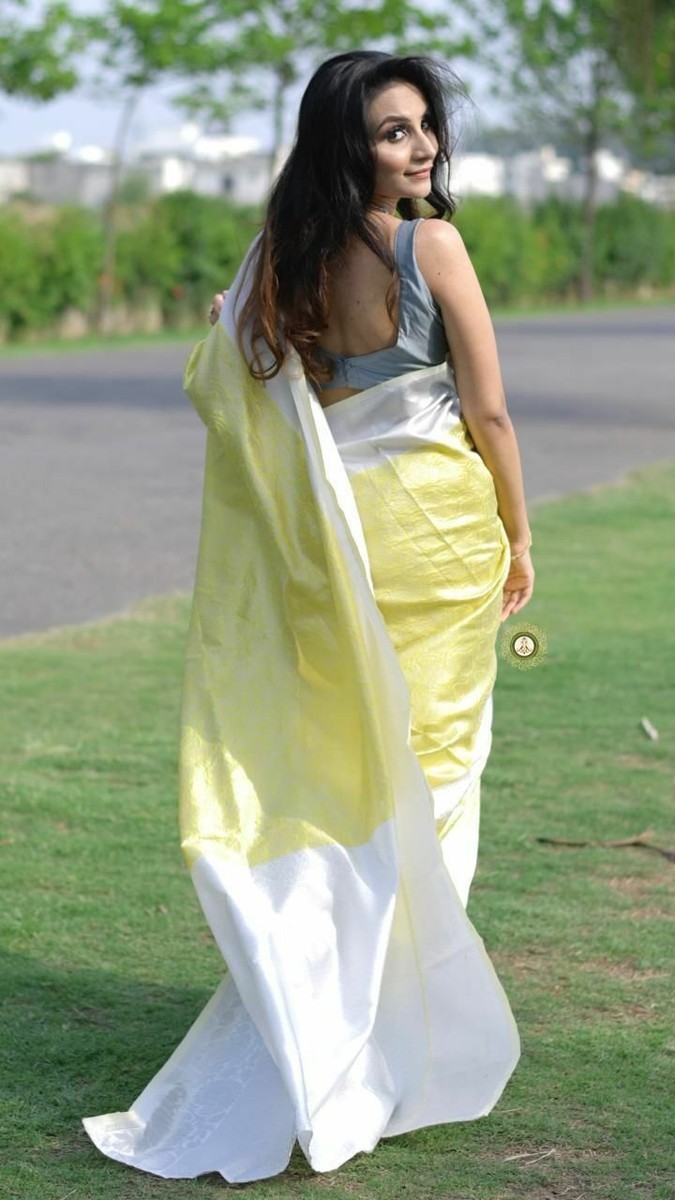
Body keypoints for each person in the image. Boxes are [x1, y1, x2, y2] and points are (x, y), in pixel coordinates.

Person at [83, 50, 533, 1184]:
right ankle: (376, 1043)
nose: (422, 147)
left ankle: (330, 1013)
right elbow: (488, 412)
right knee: (432, 780)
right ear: (349, 146)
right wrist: (522, 536)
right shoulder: (431, 247)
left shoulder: (279, 260)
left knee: (355, 775)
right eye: (394, 131)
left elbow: (230, 382)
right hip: (437, 544)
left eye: (425, 125)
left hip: (337, 551)